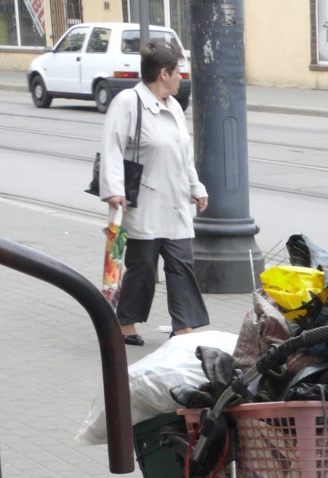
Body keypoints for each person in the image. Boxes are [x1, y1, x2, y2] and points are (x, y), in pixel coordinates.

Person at [99, 40, 209, 346]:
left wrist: (196, 188)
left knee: (181, 264)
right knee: (143, 267)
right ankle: (125, 322)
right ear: (163, 73)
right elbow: (111, 146)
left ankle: (183, 326)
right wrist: (113, 190)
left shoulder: (173, 106)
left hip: (175, 202)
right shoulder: (128, 102)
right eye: (178, 72)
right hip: (143, 202)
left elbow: (182, 155)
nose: (181, 78)